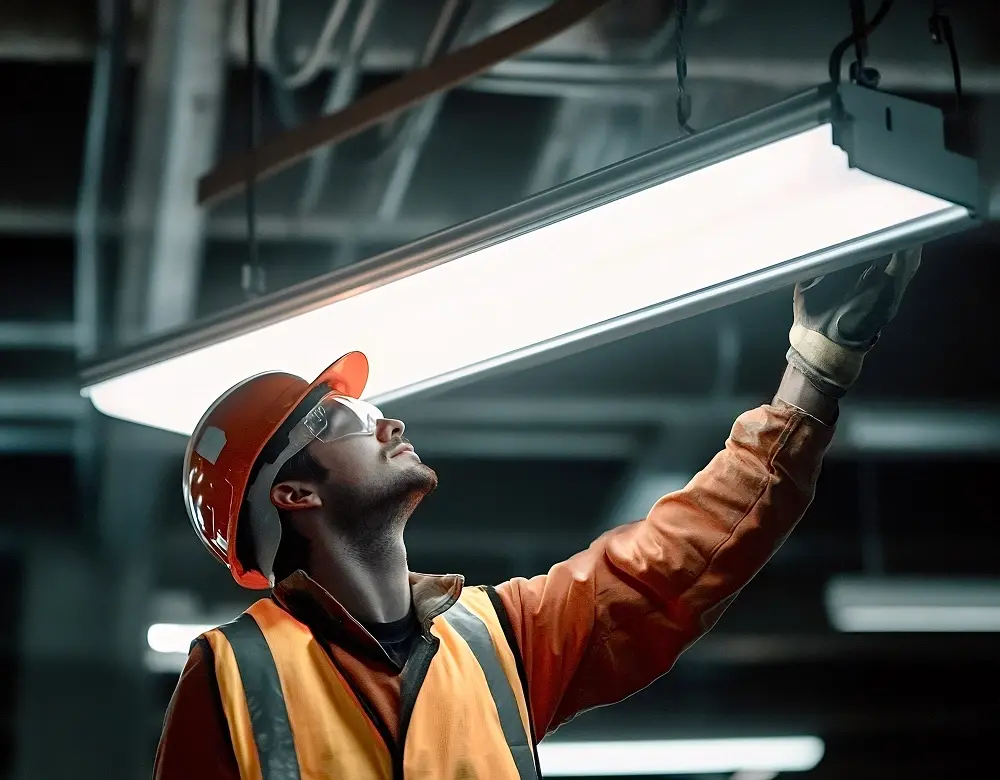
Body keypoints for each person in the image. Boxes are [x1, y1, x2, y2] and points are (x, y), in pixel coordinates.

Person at [154, 248, 922, 780]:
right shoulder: (233, 677)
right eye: (345, 420)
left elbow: (675, 561)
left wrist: (813, 374)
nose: (386, 423)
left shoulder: (497, 638)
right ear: (296, 495)